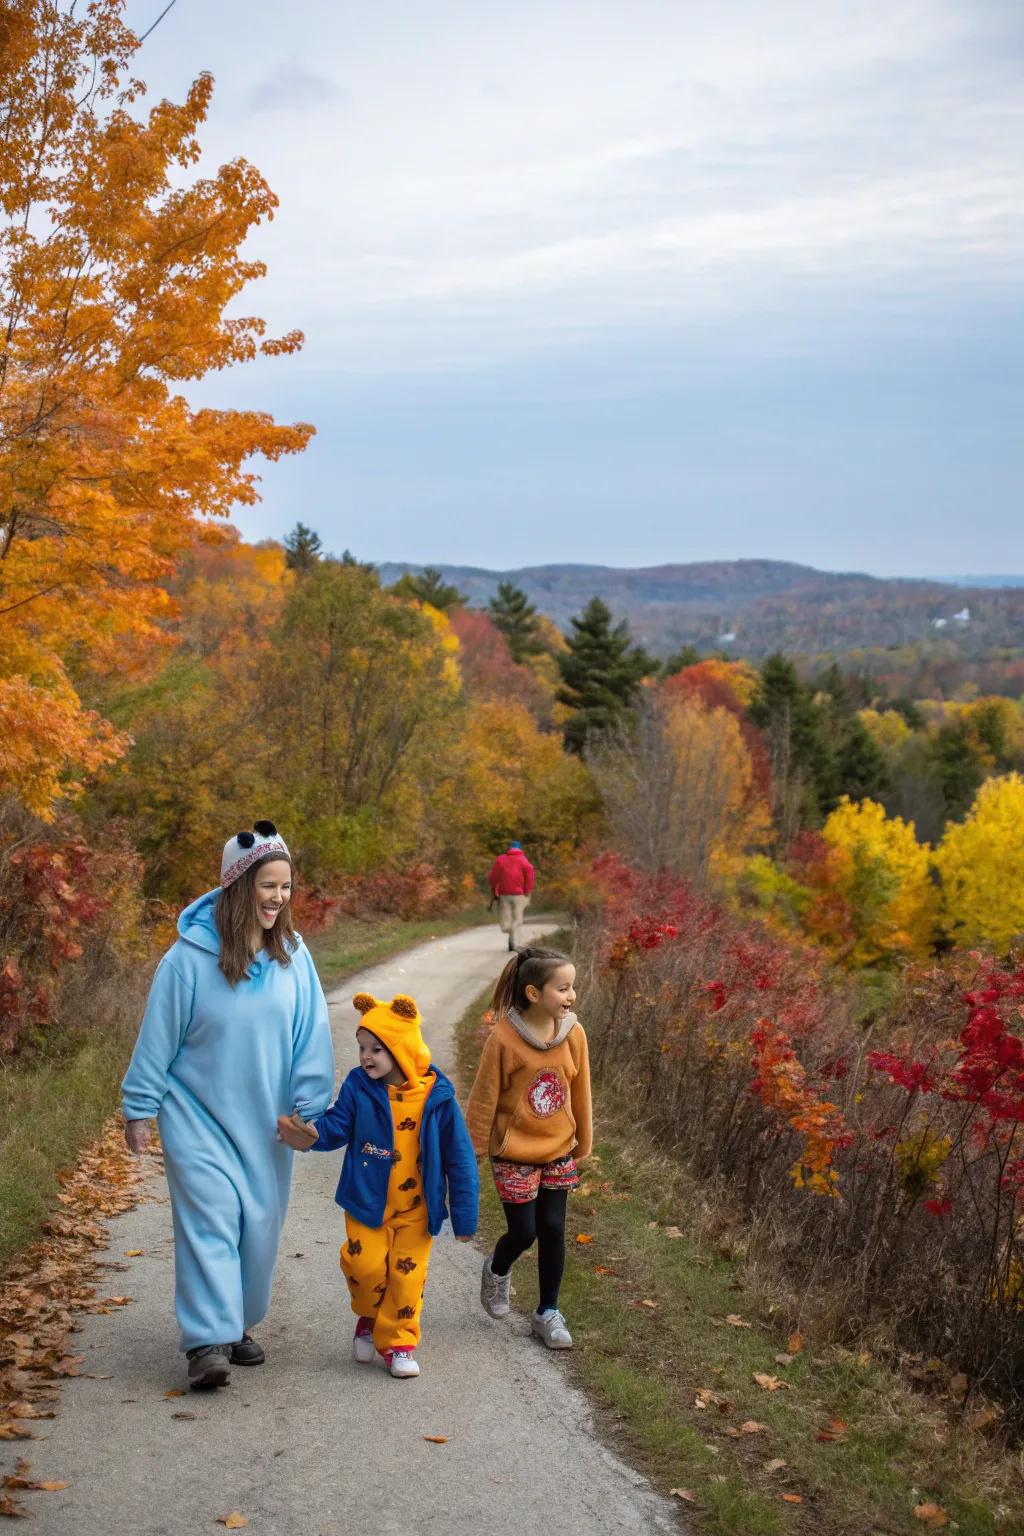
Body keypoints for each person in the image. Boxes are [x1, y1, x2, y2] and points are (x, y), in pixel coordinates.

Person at [121, 822, 335, 1390]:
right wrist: (139, 1107)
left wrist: (311, 1106)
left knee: (258, 1229)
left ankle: (236, 1322)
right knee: (210, 1221)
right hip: (195, 1117)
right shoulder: (187, 959)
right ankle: (206, 1342)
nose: (278, 898)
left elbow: (311, 1031)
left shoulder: (293, 955)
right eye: (268, 885)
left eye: (286, 887)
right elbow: (157, 1039)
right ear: (239, 886)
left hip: (266, 1122)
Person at [277, 991, 478, 1379]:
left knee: (407, 1278)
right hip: (367, 1202)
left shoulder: (437, 1098)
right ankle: (368, 1317)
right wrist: (311, 1135)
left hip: (416, 1211)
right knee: (365, 1267)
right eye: (361, 1048)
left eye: (376, 1049)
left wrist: (465, 1218)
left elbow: (461, 1159)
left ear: (402, 1050)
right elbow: (338, 1126)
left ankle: (400, 1343)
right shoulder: (359, 1086)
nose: (366, 1056)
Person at [465, 946, 591, 1350]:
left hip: (557, 1149)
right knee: (525, 1232)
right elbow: (484, 1097)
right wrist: (472, 1151)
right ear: (534, 993)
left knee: (554, 1229)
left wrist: (582, 1142)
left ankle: (547, 1312)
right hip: (513, 1151)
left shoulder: (573, 1034)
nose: (571, 996)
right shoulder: (504, 1038)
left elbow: (581, 1091)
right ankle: (497, 1268)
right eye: (563, 988)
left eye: (572, 988)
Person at [488, 840, 536, 950]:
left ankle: (511, 935)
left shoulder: (500, 860)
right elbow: (530, 877)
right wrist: (527, 891)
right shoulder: (524, 861)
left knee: (505, 923)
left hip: (504, 894)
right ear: (520, 849)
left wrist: (494, 889)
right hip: (519, 895)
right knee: (517, 919)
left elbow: (493, 878)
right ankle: (514, 937)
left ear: (509, 849)